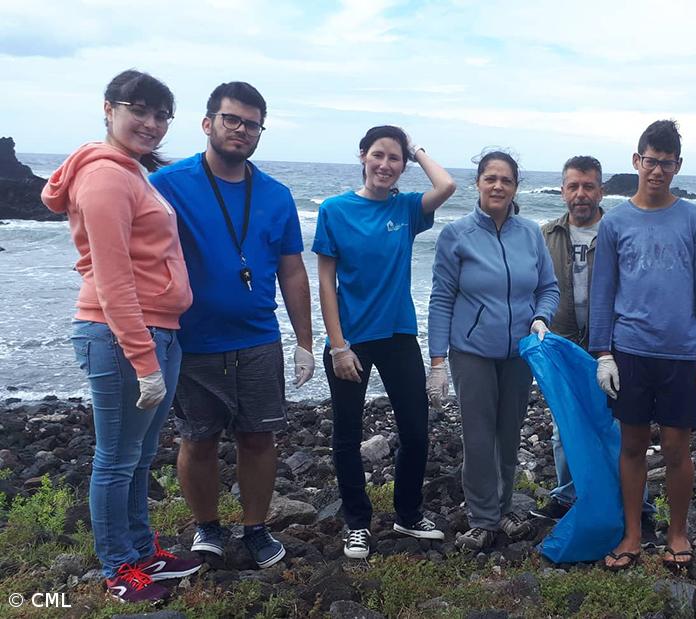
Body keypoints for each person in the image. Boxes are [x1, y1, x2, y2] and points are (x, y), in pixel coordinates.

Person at [42, 69, 202, 603]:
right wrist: (145, 361)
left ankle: (141, 551)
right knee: (115, 459)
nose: (151, 123)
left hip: (158, 330)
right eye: (140, 110)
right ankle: (119, 570)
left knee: (139, 453)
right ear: (109, 109)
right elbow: (112, 280)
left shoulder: (131, 172)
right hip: (121, 336)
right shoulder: (106, 177)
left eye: (161, 115)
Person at [149, 82, 314, 570]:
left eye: (252, 124)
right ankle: (207, 526)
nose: (242, 130)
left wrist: (305, 342)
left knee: (259, 438)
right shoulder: (167, 184)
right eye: (232, 119)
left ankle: (256, 528)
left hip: (258, 338)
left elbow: (292, 270)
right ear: (208, 123)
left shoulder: (277, 195)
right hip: (192, 340)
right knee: (198, 438)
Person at [313, 125, 456, 559]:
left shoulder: (407, 208)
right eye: (378, 155)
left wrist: (416, 148)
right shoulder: (335, 210)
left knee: (416, 431)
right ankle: (356, 523)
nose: (385, 165)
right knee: (347, 435)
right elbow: (326, 281)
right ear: (363, 156)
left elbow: (446, 185)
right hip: (351, 341)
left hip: (398, 335)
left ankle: (408, 514)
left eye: (394, 158)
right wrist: (338, 346)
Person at [588, 120, 696, 571]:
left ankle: (678, 533)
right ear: (636, 161)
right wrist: (603, 352)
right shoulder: (615, 222)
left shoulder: (695, 220)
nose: (657, 170)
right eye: (650, 161)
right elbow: (603, 290)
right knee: (632, 445)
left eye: (666, 163)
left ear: (677, 166)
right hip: (630, 350)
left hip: (680, 353)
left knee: (678, 449)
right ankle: (632, 535)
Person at [428, 150, 560, 551]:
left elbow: (548, 288)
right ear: (478, 183)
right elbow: (441, 299)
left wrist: (541, 318)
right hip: (472, 351)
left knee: (509, 434)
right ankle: (482, 519)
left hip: (520, 351)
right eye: (491, 178)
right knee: (479, 437)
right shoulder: (457, 235)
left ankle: (503, 509)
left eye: (506, 180)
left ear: (516, 187)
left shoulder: (531, 233)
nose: (498, 186)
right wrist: (437, 361)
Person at [533, 156, 655, 535]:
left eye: (588, 186)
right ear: (563, 191)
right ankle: (568, 496)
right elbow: (534, 287)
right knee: (564, 427)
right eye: (573, 186)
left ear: (601, 191)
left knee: (621, 427)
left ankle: (639, 504)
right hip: (563, 345)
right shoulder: (546, 235)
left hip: (616, 346)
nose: (581, 194)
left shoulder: (620, 231)